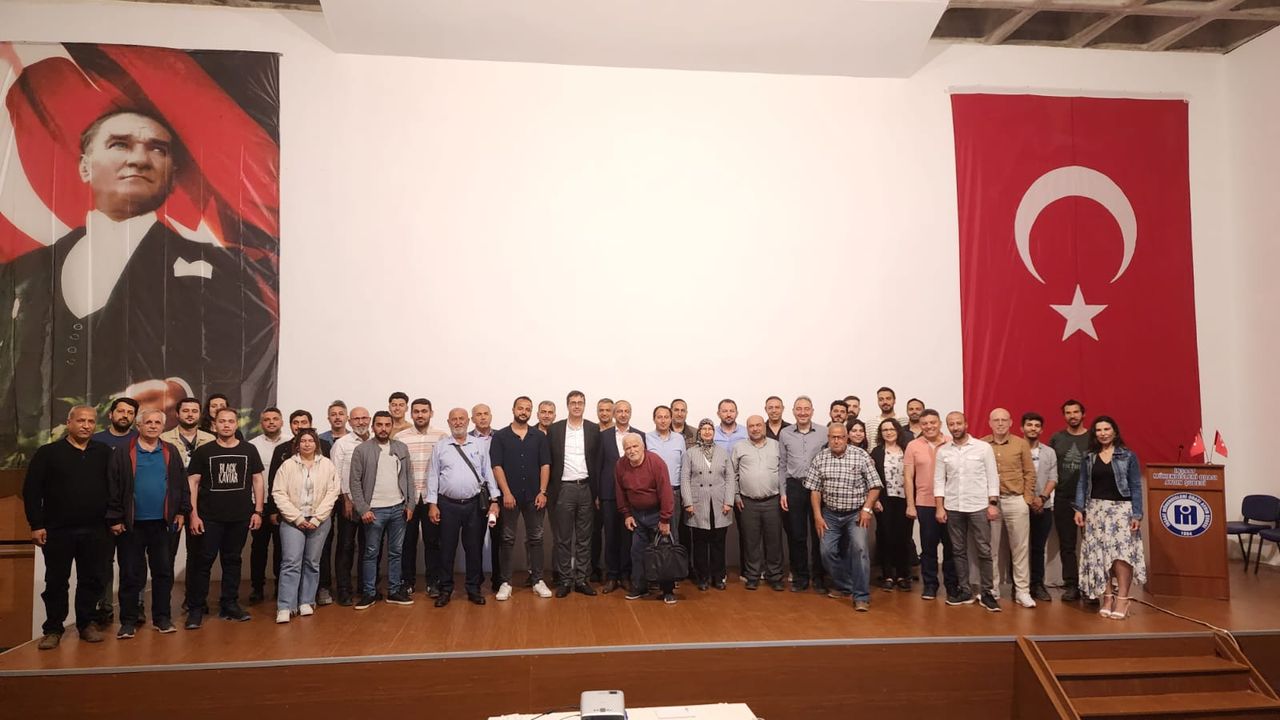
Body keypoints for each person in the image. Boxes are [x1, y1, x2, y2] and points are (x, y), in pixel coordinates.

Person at [0, 109, 275, 469]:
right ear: (84, 167)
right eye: (119, 144)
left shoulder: (221, 269)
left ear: (173, 176)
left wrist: (181, 391)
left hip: (150, 459)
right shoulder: (24, 273)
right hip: (42, 464)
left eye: (158, 149)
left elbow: (246, 360)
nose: (140, 159)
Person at [24, 406, 112, 649]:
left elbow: (115, 487)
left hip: (96, 530)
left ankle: (86, 624)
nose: (86, 425)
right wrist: (36, 524)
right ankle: (53, 629)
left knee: (92, 579)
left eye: (91, 421)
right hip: (57, 530)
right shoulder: (48, 453)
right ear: (69, 422)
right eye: (81, 420)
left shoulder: (104, 452)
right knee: (56, 582)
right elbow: (32, 491)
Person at [106, 409, 189, 638]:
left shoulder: (170, 451)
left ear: (163, 426)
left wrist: (181, 511)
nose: (153, 426)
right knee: (130, 574)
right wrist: (115, 517)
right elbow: (113, 485)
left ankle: (162, 618)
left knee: (163, 572)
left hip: (163, 524)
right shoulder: (124, 452)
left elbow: (181, 484)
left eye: (157, 423)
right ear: (139, 426)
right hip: (131, 525)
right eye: (148, 422)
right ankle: (128, 621)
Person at [184, 407, 265, 628]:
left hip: (240, 517)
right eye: (222, 421)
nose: (226, 425)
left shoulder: (249, 449)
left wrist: (258, 511)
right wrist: (193, 515)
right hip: (209, 518)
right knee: (203, 563)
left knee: (232, 561)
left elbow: (257, 480)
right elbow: (192, 483)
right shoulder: (204, 451)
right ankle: (196, 609)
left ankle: (229, 604)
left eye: (230, 421)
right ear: (214, 425)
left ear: (236, 424)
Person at [1073, 416, 1146, 620]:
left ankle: (1122, 599)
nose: (1103, 433)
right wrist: (1079, 509)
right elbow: (1082, 483)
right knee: (1100, 556)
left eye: (1107, 429)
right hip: (1095, 510)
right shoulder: (1089, 456)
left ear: (1114, 431)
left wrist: (1137, 513)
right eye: (1099, 430)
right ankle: (1107, 598)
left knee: (1121, 556)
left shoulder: (1127, 456)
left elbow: (1135, 486)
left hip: (1121, 511)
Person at [428, 408, 502, 607]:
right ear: (448, 422)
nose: (458, 422)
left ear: (468, 421)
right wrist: (432, 504)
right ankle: (445, 589)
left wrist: (495, 500)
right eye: (454, 419)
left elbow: (488, 473)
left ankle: (473, 588)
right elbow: (433, 476)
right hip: (447, 505)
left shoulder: (478, 445)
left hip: (474, 505)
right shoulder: (441, 446)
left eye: (461, 419)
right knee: (446, 549)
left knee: (474, 549)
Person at [805, 423, 882, 612]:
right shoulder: (820, 458)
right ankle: (847, 585)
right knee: (826, 552)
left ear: (847, 438)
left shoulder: (861, 455)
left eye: (840, 437)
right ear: (828, 438)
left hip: (856, 514)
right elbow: (815, 490)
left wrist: (867, 509)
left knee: (860, 549)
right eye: (833, 437)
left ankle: (861, 596)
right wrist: (817, 516)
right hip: (830, 514)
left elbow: (875, 486)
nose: (836, 440)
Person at [261, 410, 332, 603]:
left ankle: (313, 595)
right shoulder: (284, 453)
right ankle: (286, 601)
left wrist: (320, 515)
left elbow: (331, 488)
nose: (300, 426)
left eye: (304, 422)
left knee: (315, 559)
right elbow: (275, 485)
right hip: (291, 516)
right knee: (289, 559)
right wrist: (275, 510)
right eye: (296, 422)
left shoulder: (325, 452)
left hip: (319, 516)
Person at [271, 428, 340, 623]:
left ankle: (306, 601)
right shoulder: (287, 465)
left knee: (312, 562)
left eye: (311, 441)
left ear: (316, 444)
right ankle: (286, 606)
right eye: (303, 441)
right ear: (297, 444)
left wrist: (317, 518)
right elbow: (278, 493)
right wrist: (297, 518)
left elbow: (332, 492)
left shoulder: (327, 465)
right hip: (293, 521)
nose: (307, 444)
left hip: (319, 520)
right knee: (291, 562)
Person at [934, 411, 1001, 612]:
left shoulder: (983, 448)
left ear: (966, 424)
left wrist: (992, 503)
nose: (955, 427)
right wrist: (939, 507)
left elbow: (992, 476)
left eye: (958, 423)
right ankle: (964, 590)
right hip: (953, 507)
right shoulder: (943, 451)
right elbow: (939, 480)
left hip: (979, 506)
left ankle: (987, 592)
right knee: (958, 551)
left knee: (984, 550)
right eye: (951, 424)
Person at [348, 411, 414, 610]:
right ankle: (369, 593)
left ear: (392, 426)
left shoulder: (401, 448)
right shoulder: (362, 450)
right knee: (371, 553)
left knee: (396, 552)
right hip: (374, 511)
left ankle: (394, 591)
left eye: (387, 425)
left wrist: (410, 505)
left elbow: (409, 478)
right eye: (379, 425)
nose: (383, 428)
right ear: (373, 426)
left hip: (398, 509)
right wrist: (363, 509)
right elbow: (354, 482)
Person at [491, 396, 553, 600]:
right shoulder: (500, 436)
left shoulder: (539, 436)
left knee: (536, 538)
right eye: (520, 408)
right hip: (510, 497)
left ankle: (537, 580)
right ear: (513, 409)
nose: (523, 412)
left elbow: (545, 465)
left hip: (534, 496)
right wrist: (506, 492)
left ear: (531, 412)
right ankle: (505, 583)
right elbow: (496, 466)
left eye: (527, 409)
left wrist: (542, 491)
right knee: (507, 539)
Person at [982, 408, 1038, 609]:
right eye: (996, 420)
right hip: (990, 503)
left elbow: (1030, 473)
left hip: (1016, 500)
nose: (1000, 423)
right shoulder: (982, 445)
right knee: (990, 548)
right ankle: (992, 589)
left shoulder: (1020, 444)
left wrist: (1026, 499)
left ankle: (1022, 591)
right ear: (990, 423)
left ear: (1011, 422)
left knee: (1020, 548)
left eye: (1004, 420)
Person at [90, 395, 139, 624]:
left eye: (130, 412)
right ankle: (104, 606)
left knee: (133, 563)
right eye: (121, 411)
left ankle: (135, 606)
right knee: (102, 562)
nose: (125, 415)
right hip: (101, 512)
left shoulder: (139, 441)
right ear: (111, 414)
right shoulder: (96, 440)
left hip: (131, 513)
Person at [547, 391, 601, 597]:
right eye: (573, 403)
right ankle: (564, 580)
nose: (577, 406)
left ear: (585, 405)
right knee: (563, 538)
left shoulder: (593, 429)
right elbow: (549, 461)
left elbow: (597, 461)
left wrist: (597, 492)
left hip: (586, 488)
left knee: (584, 538)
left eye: (580, 403)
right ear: (567, 405)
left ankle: (581, 580)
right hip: (564, 488)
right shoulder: (555, 429)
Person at [617, 434, 678, 604]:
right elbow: (620, 491)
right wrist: (627, 514)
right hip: (637, 515)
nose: (632, 451)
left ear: (643, 446)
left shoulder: (656, 462)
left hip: (658, 513)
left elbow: (666, 491)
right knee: (637, 552)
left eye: (635, 446)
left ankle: (667, 590)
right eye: (628, 448)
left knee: (664, 553)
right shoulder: (621, 465)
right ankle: (639, 587)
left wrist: (665, 519)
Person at [904, 409, 958, 601]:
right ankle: (930, 585)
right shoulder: (913, 446)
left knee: (951, 547)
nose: (929, 426)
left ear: (940, 424)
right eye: (925, 423)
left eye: (932, 422)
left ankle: (952, 586)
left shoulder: (952, 443)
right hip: (924, 503)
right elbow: (908, 477)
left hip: (951, 503)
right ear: (920, 425)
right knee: (928, 547)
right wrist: (910, 504)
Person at [778, 396, 829, 593]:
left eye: (806, 409)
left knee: (819, 534)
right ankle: (801, 577)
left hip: (818, 488)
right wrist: (783, 492)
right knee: (797, 535)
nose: (802, 412)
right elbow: (782, 465)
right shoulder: (785, 433)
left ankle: (819, 577)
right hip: (795, 487)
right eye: (799, 409)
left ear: (812, 411)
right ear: (793, 411)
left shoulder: (824, 432)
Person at [595, 400, 644, 593]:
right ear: (614, 414)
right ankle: (612, 575)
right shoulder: (603, 436)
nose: (623, 414)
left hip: (631, 494)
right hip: (608, 493)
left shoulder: (639, 435)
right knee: (610, 535)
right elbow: (598, 466)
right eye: (619, 411)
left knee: (628, 536)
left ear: (630, 413)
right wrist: (597, 494)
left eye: (626, 411)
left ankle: (625, 575)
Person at [400, 398, 446, 598]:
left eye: (424, 411)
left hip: (431, 498)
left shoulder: (441, 437)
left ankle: (433, 582)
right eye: (416, 411)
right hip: (408, 498)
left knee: (433, 542)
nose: (420, 415)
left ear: (431, 413)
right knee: (407, 542)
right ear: (411, 414)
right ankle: (407, 582)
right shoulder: (401, 437)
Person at [732, 415, 784, 591]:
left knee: (774, 541)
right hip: (748, 502)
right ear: (747, 428)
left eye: (758, 425)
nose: (755, 429)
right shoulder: (739, 447)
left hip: (772, 501)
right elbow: (733, 473)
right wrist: (736, 496)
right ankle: (752, 575)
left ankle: (774, 576)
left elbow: (782, 472)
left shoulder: (776, 446)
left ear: (764, 427)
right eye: (751, 426)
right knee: (751, 541)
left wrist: (783, 495)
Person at [681, 419, 733, 591]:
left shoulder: (723, 452)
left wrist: (728, 501)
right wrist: (688, 502)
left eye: (710, 428)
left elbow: (730, 478)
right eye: (703, 429)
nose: (707, 431)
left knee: (719, 543)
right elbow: (685, 479)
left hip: (719, 504)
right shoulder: (690, 453)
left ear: (714, 432)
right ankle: (702, 577)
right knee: (700, 544)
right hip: (698, 504)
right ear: (699, 432)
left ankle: (718, 577)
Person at [330, 406, 372, 606]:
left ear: (369, 420)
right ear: (350, 421)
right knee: (346, 546)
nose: (360, 422)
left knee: (369, 547)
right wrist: (345, 499)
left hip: (372, 505)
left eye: (364, 418)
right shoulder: (342, 444)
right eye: (356, 419)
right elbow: (335, 475)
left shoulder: (376, 442)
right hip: (349, 504)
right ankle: (344, 590)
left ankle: (366, 588)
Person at [247, 407, 289, 604]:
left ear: (281, 422)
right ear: (261, 423)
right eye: (267, 419)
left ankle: (281, 586)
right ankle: (257, 587)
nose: (271, 422)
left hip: (283, 505)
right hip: (259, 504)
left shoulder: (291, 443)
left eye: (275, 419)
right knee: (259, 548)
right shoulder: (252, 445)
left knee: (282, 548)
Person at [1050, 399, 1090, 601]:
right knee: (1067, 545)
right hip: (1063, 498)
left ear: (1083, 414)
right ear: (1064, 415)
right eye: (1068, 412)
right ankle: (1071, 585)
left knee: (1091, 544)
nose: (1072, 416)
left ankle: (1091, 586)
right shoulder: (1057, 438)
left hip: (1091, 499)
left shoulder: (1094, 437)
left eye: (1076, 412)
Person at [870, 418, 912, 591]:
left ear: (898, 431)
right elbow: (872, 477)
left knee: (904, 537)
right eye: (885, 430)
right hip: (884, 500)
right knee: (885, 536)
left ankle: (903, 575)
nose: (888, 432)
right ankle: (887, 575)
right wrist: (875, 500)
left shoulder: (907, 449)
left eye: (891, 429)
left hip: (905, 499)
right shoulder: (877, 452)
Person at [1023, 412, 1058, 603]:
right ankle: (1019, 586)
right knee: (1018, 548)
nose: (1033, 428)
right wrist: (1029, 500)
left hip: (1044, 505)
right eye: (1029, 425)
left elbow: (1053, 478)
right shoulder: (1017, 449)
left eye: (1037, 425)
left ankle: (1037, 584)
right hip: (1021, 505)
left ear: (1041, 430)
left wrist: (1042, 498)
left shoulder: (1049, 452)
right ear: (1022, 428)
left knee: (1038, 548)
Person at [646, 405, 687, 566]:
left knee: (673, 532)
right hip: (652, 493)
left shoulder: (679, 439)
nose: (663, 420)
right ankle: (654, 571)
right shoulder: (646, 438)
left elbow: (684, 466)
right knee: (653, 532)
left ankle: (672, 571)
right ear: (654, 419)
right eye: (659, 417)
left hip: (674, 492)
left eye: (666, 417)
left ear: (671, 419)